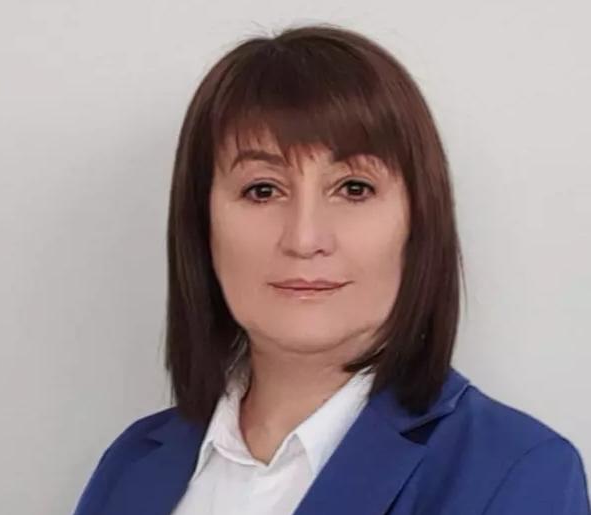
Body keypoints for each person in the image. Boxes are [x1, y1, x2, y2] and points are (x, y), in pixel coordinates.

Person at [72, 23, 591, 515]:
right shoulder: (131, 465)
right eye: (262, 190)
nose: (304, 239)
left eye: (353, 188)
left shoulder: (514, 473)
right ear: (201, 222)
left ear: (418, 222)